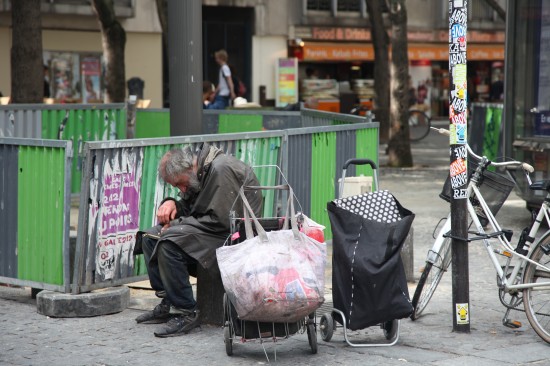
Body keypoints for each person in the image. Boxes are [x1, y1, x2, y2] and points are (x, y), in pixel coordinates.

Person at [134, 143, 262, 337]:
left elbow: (220, 220)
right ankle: (169, 301)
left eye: (179, 184)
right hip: (212, 229)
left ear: (188, 168)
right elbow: (192, 209)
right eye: (176, 186)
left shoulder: (220, 170)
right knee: (150, 237)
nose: (181, 188)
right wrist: (171, 202)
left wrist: (177, 224)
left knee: (169, 243)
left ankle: (186, 311)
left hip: (231, 237)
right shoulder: (198, 174)